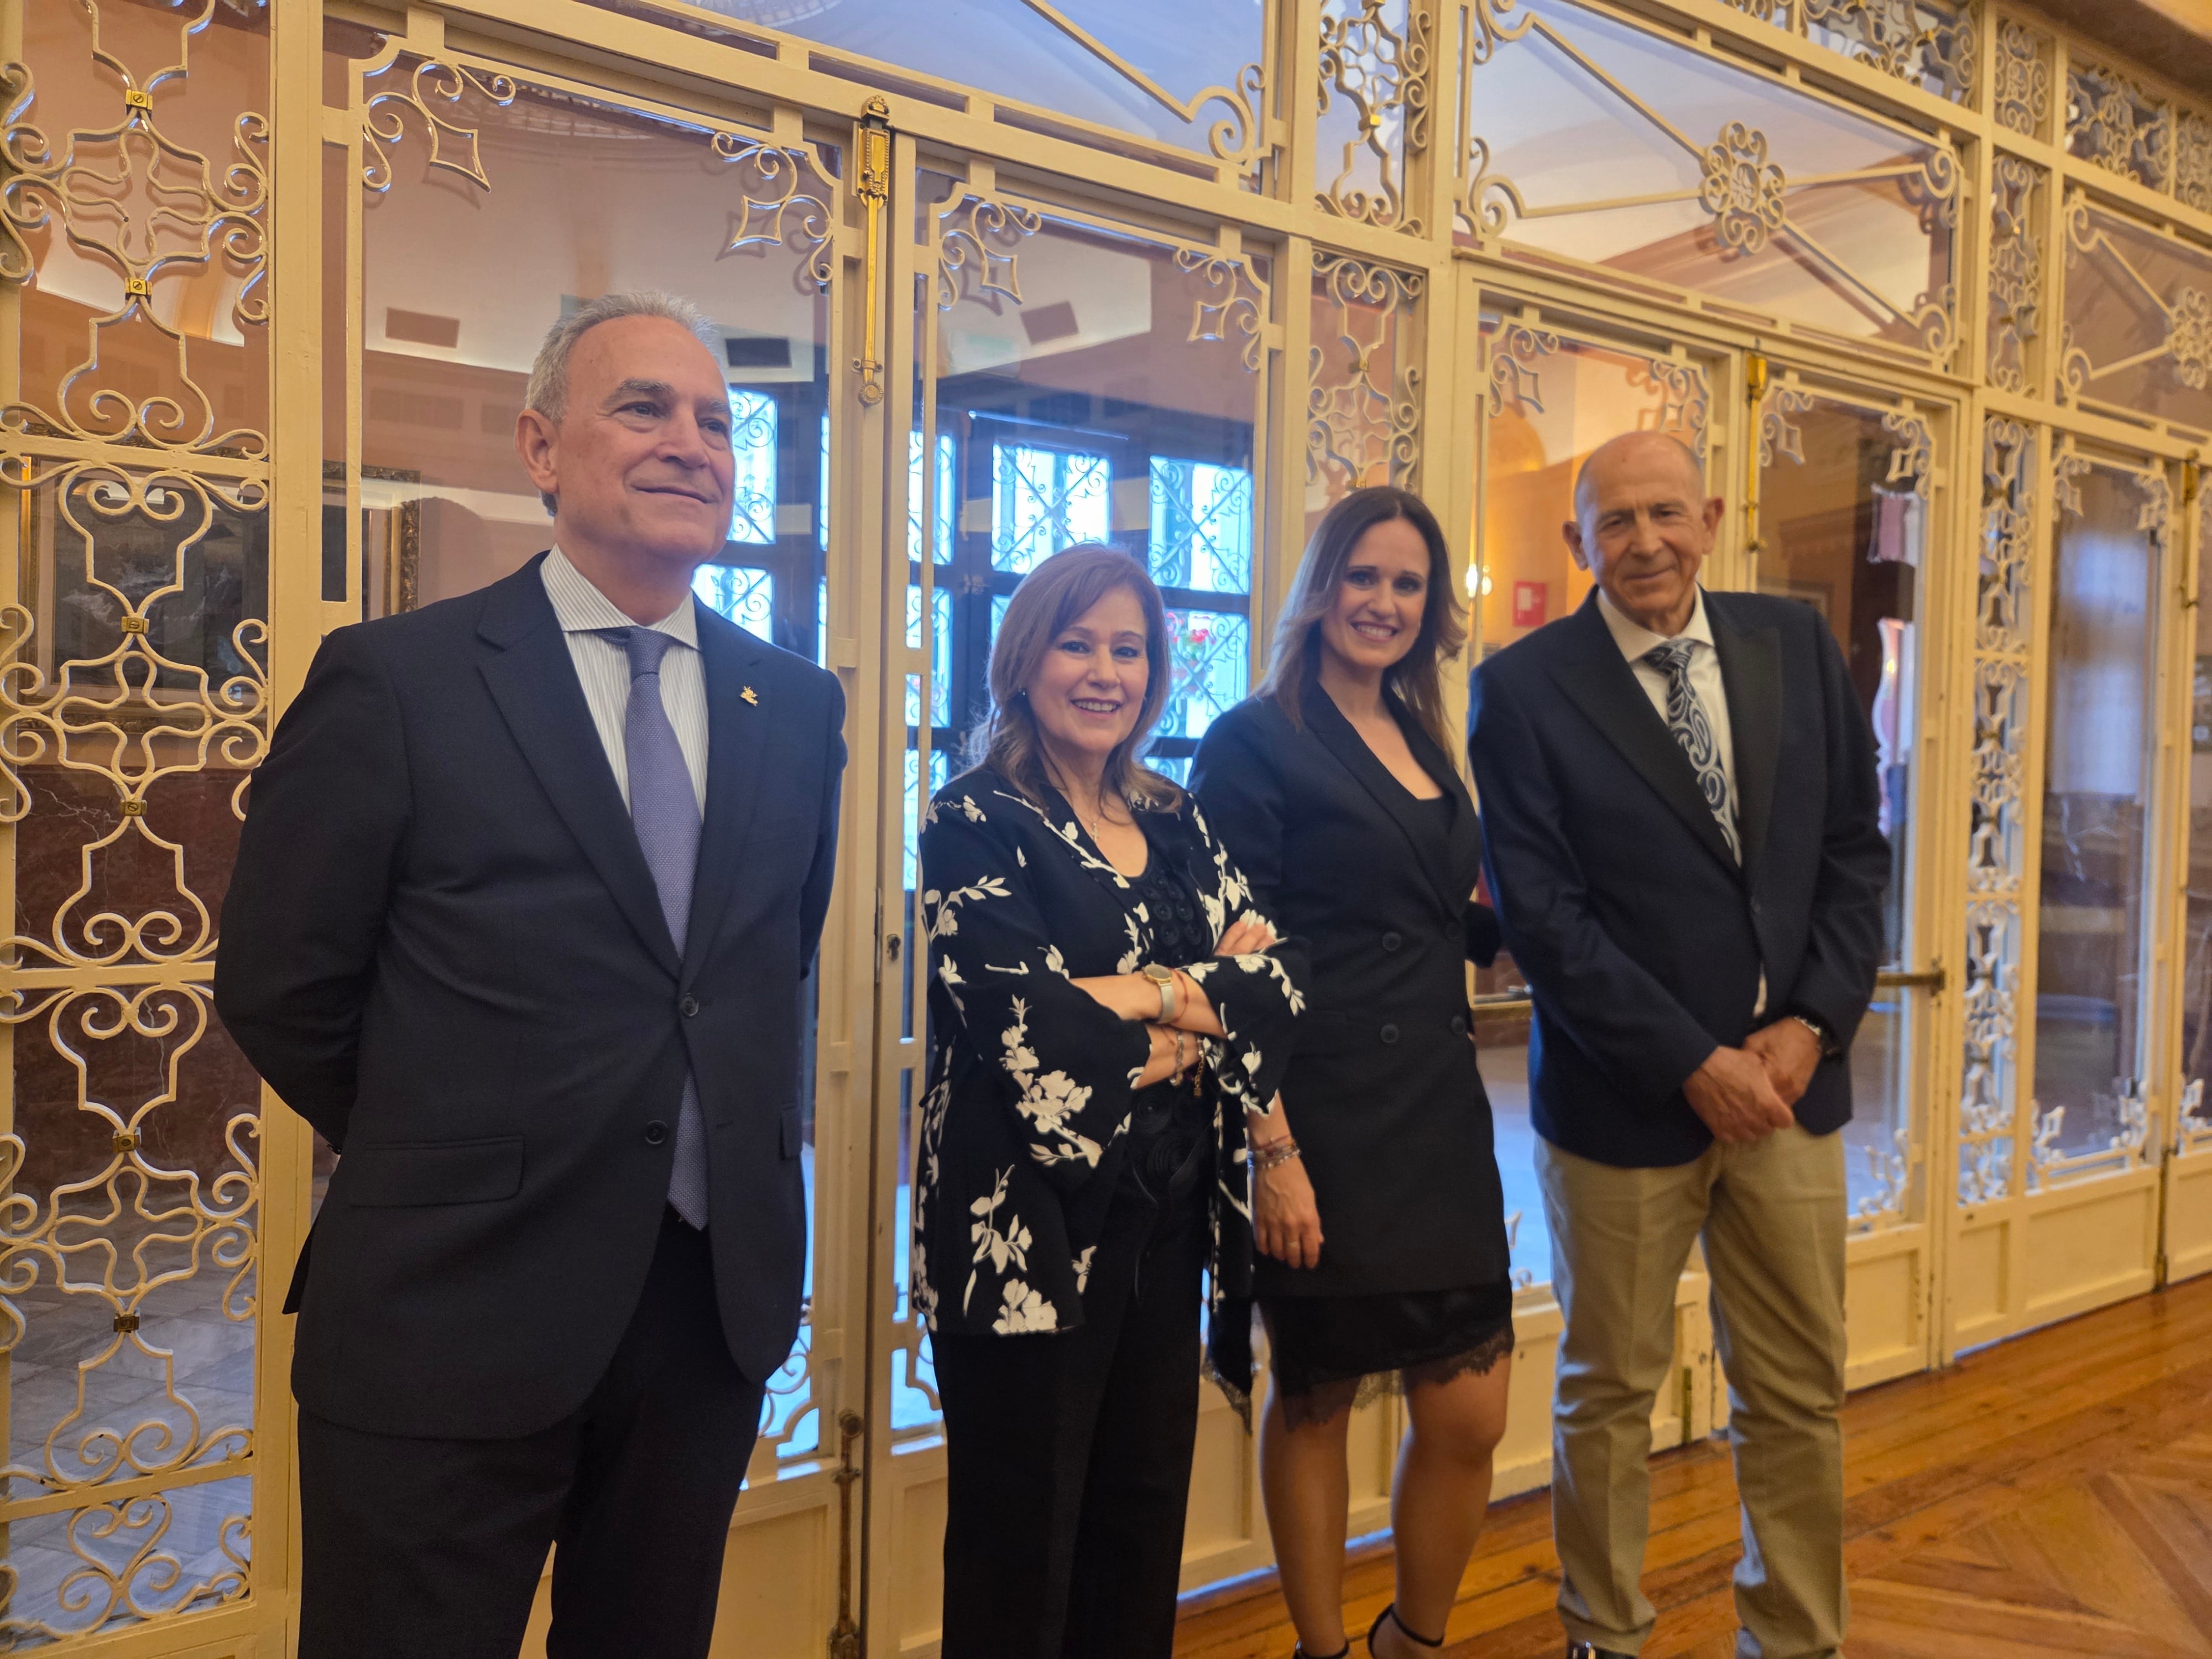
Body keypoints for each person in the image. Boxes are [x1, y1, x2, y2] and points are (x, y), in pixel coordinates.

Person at [214, 291, 846, 1657]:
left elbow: (755, 974)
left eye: (717, 422)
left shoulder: (797, 707)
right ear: (540, 447)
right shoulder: (399, 681)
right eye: (644, 408)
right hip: (452, 1302)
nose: (692, 444)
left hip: (702, 1313)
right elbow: (281, 981)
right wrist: (454, 1140)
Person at [1467, 432, 1887, 1659]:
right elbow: (1543, 917)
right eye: (1615, 521)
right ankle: (1603, 1634)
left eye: (1665, 513)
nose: (1644, 541)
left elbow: (1852, 854)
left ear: (1708, 519)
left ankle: (1796, 1637)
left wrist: (1811, 1025)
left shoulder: (1794, 644)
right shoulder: (1524, 688)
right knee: (1608, 1394)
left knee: (1798, 1391)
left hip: (1792, 1094)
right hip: (1623, 1105)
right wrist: (1693, 1063)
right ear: (1578, 542)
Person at [914, 544, 1307, 1659]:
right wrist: (1199, 1002)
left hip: (1165, 1217)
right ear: (1022, 660)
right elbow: (1029, 1036)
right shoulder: (971, 818)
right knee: (1020, 1544)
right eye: (1075, 644)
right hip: (1022, 1227)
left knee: (1140, 1521)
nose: (1104, 672)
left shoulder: (1175, 815)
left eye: (1127, 649)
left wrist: (1135, 1000)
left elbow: (1277, 985)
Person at [1192, 487, 1515, 1659]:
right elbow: (1231, 960)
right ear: (1320, 587)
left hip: (1435, 1112)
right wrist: (1270, 1151)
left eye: (1408, 583)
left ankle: (1410, 1644)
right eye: (1363, 576)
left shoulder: (1425, 731)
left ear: (1432, 606)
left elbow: (1418, 905)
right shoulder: (1252, 740)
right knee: (1317, 1396)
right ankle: (1323, 1651)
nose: (1384, 602)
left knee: (1471, 1413)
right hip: (1320, 1117)